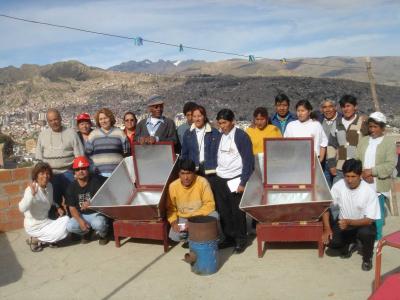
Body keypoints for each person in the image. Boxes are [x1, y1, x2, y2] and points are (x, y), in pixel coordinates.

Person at [208, 109, 254, 254]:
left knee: (237, 212)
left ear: (232, 121)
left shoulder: (241, 136)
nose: (222, 126)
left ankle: (241, 239)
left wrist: (243, 182)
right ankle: (228, 237)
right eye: (220, 123)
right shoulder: (219, 136)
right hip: (220, 178)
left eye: (225, 122)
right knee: (223, 211)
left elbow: (248, 161)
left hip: (235, 179)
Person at [322, 159, 380, 271]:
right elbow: (325, 207)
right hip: (344, 224)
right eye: (347, 176)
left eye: (353, 176)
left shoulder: (369, 191)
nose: (349, 180)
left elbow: (369, 220)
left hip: (363, 224)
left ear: (360, 175)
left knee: (367, 233)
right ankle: (350, 243)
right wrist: (327, 228)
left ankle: (367, 258)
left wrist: (349, 222)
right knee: (330, 242)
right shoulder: (338, 186)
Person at [356, 112, 397, 240]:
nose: (372, 130)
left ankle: (377, 239)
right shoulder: (364, 141)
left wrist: (372, 172)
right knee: (362, 212)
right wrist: (363, 173)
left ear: (382, 127)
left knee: (377, 214)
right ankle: (362, 238)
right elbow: (358, 160)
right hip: (363, 181)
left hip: (378, 184)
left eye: (375, 127)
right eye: (371, 127)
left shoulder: (389, 142)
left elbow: (390, 164)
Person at [35, 108, 84, 215]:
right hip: (50, 175)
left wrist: (78, 173)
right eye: (51, 120)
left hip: (69, 173)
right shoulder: (43, 135)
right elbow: (39, 158)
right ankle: (57, 228)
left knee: (73, 202)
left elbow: (80, 156)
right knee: (53, 204)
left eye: (56, 119)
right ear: (48, 122)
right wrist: (37, 178)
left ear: (61, 118)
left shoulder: (71, 133)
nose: (54, 122)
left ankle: (75, 227)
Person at [19, 162, 69, 252]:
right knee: (62, 232)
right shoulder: (31, 189)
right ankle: (35, 240)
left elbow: (50, 200)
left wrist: (58, 207)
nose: (45, 176)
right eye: (42, 173)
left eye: (47, 173)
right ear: (36, 176)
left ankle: (44, 239)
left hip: (46, 222)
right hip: (34, 226)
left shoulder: (49, 186)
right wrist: (31, 195)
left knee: (67, 221)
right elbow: (22, 208)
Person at [167, 159, 219, 243]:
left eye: (188, 173)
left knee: (215, 216)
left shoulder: (202, 182)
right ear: (179, 174)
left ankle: (208, 238)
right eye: (182, 173)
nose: (186, 177)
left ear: (194, 173)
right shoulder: (173, 186)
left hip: (201, 216)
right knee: (175, 236)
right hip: (184, 217)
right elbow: (171, 209)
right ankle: (196, 238)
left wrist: (192, 221)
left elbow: (210, 205)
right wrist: (173, 223)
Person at [65, 156, 109, 245]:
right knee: (70, 226)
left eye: (83, 168)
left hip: (96, 213)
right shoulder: (71, 187)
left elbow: (106, 196)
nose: (80, 171)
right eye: (77, 169)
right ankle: (87, 232)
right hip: (82, 215)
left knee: (99, 224)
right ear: (74, 172)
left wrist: (93, 202)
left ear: (88, 169)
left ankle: (103, 235)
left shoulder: (96, 180)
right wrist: (80, 221)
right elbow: (72, 208)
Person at [327, 95, 368, 184]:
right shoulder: (337, 123)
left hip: (357, 169)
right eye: (343, 107)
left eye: (348, 106)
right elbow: (331, 145)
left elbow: (369, 144)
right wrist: (331, 164)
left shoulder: (363, 122)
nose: (346, 109)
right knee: (337, 195)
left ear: (355, 107)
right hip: (340, 169)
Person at [85, 108, 129, 177]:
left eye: (105, 118)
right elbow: (87, 155)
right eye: (101, 119)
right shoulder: (93, 135)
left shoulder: (120, 133)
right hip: (98, 176)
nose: (103, 121)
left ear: (110, 118)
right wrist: (93, 169)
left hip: (117, 175)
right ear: (98, 121)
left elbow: (127, 155)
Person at [181, 105, 221, 176]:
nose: (197, 119)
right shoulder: (188, 134)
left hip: (211, 170)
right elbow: (184, 154)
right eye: (194, 116)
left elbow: (219, 153)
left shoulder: (214, 133)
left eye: (199, 116)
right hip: (194, 170)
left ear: (204, 117)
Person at [319, 98, 340, 187]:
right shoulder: (319, 121)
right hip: (323, 164)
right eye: (325, 107)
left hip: (337, 163)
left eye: (330, 107)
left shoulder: (342, 121)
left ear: (335, 108)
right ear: (321, 109)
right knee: (326, 189)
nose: (327, 110)